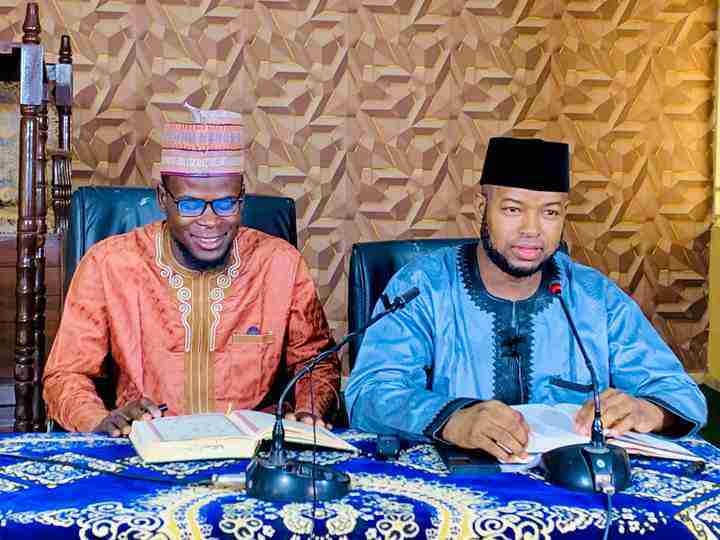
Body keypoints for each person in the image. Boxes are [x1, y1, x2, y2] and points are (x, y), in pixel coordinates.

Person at [345, 136, 707, 463]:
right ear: (481, 208)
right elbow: (369, 394)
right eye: (513, 210)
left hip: (574, 490)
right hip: (454, 485)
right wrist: (454, 418)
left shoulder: (595, 297)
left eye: (550, 212)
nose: (532, 230)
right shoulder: (423, 287)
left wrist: (647, 411)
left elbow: (683, 395)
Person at [43, 106, 340, 436]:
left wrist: (308, 412)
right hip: (143, 447)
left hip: (254, 451)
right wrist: (98, 421)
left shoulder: (280, 264)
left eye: (226, 203)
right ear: (162, 198)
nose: (210, 221)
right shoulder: (109, 264)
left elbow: (316, 362)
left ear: (241, 198)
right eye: (190, 204)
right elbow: (65, 375)